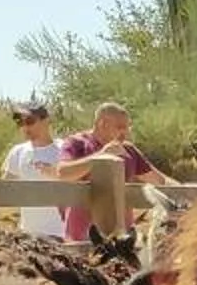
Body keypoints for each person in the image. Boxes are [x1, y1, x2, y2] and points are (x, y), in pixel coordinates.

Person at [52, 102, 157, 242]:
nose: (125, 132)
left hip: (122, 240)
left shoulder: (129, 150)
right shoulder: (77, 143)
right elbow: (63, 173)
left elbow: (158, 180)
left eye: (127, 127)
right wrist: (101, 155)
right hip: (83, 237)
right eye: (120, 127)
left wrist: (189, 191)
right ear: (102, 123)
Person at [0, 102, 67, 236]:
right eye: (20, 123)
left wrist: (57, 174)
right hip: (29, 237)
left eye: (30, 121)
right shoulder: (17, 152)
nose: (24, 127)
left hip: (61, 235)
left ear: (46, 121)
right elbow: (4, 191)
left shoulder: (65, 149)